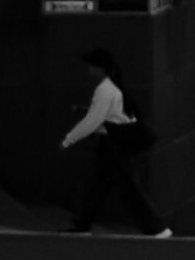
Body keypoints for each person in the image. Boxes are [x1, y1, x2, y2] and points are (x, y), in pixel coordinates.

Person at [62, 47, 167, 235]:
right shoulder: (114, 87)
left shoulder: (105, 90)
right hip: (111, 143)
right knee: (97, 186)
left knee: (127, 188)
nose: (88, 71)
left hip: (113, 145)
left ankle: (156, 227)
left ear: (100, 69)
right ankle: (83, 224)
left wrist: (69, 139)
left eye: (91, 67)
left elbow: (94, 121)